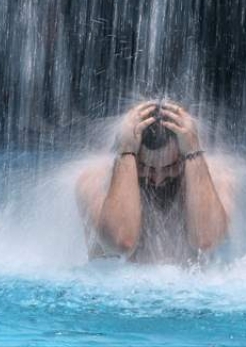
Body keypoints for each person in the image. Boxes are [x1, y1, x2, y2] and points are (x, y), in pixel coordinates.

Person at [76, 101, 233, 264]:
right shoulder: (95, 180)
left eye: (170, 167)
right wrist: (126, 153)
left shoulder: (217, 177)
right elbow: (122, 241)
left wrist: (193, 152)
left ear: (184, 156)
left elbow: (205, 240)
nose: (158, 179)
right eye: (145, 167)